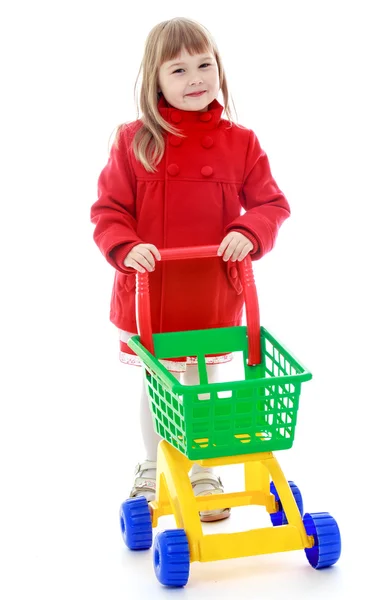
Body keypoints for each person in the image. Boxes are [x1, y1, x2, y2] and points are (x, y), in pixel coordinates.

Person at [91, 17, 290, 522]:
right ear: (154, 80)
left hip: (211, 289)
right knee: (158, 383)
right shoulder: (134, 140)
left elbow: (271, 203)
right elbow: (108, 210)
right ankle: (153, 463)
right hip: (151, 289)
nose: (196, 78)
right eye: (178, 69)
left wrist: (248, 231)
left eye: (205, 64)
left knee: (207, 380)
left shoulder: (240, 142)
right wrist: (124, 244)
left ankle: (203, 466)